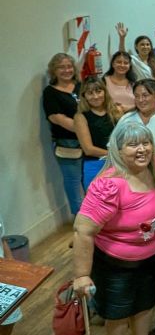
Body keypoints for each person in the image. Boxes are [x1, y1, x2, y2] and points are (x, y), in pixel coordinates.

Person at [72, 122, 155, 335]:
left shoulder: (154, 166)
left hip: (148, 258)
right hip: (115, 264)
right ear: (117, 149)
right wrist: (82, 275)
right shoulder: (109, 184)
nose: (142, 149)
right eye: (132, 144)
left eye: (146, 143)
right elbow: (82, 231)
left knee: (144, 305)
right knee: (117, 314)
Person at [43, 53, 84, 214]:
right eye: (61, 67)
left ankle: (96, 218)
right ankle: (79, 220)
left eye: (69, 66)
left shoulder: (81, 86)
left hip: (92, 144)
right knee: (73, 183)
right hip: (68, 144)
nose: (66, 70)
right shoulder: (50, 92)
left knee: (91, 181)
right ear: (53, 70)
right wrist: (86, 130)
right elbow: (56, 118)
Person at [74, 77, 120, 189]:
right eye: (90, 93)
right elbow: (88, 149)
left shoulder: (117, 111)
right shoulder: (80, 117)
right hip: (95, 165)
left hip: (118, 164)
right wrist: (116, 155)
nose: (95, 96)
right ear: (84, 96)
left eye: (98, 91)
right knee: (98, 204)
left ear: (105, 91)